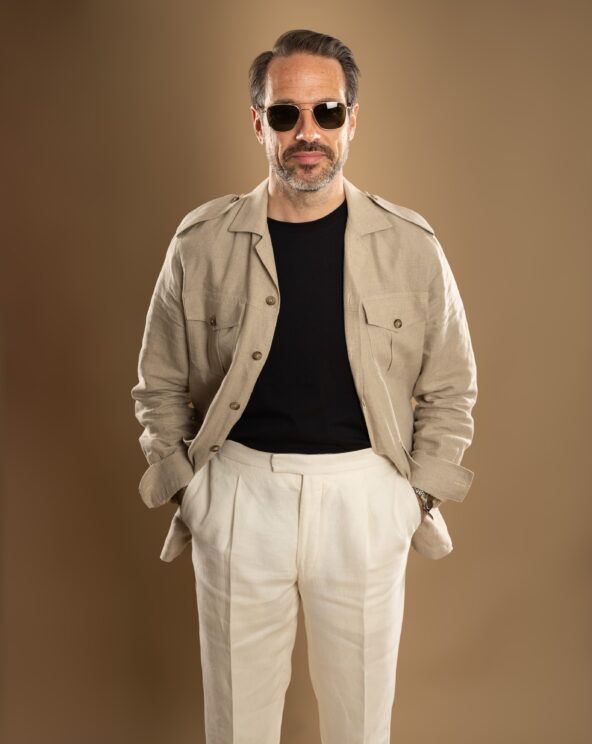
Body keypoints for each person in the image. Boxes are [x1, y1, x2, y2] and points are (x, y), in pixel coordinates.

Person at [131, 27, 478, 744]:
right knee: (237, 729)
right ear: (259, 122)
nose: (307, 133)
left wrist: (412, 500)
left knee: (360, 728)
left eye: (327, 112)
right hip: (237, 498)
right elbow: (159, 381)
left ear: (352, 120)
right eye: (286, 114)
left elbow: (450, 385)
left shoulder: (411, 245)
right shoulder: (201, 241)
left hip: (365, 501)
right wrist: (191, 491)